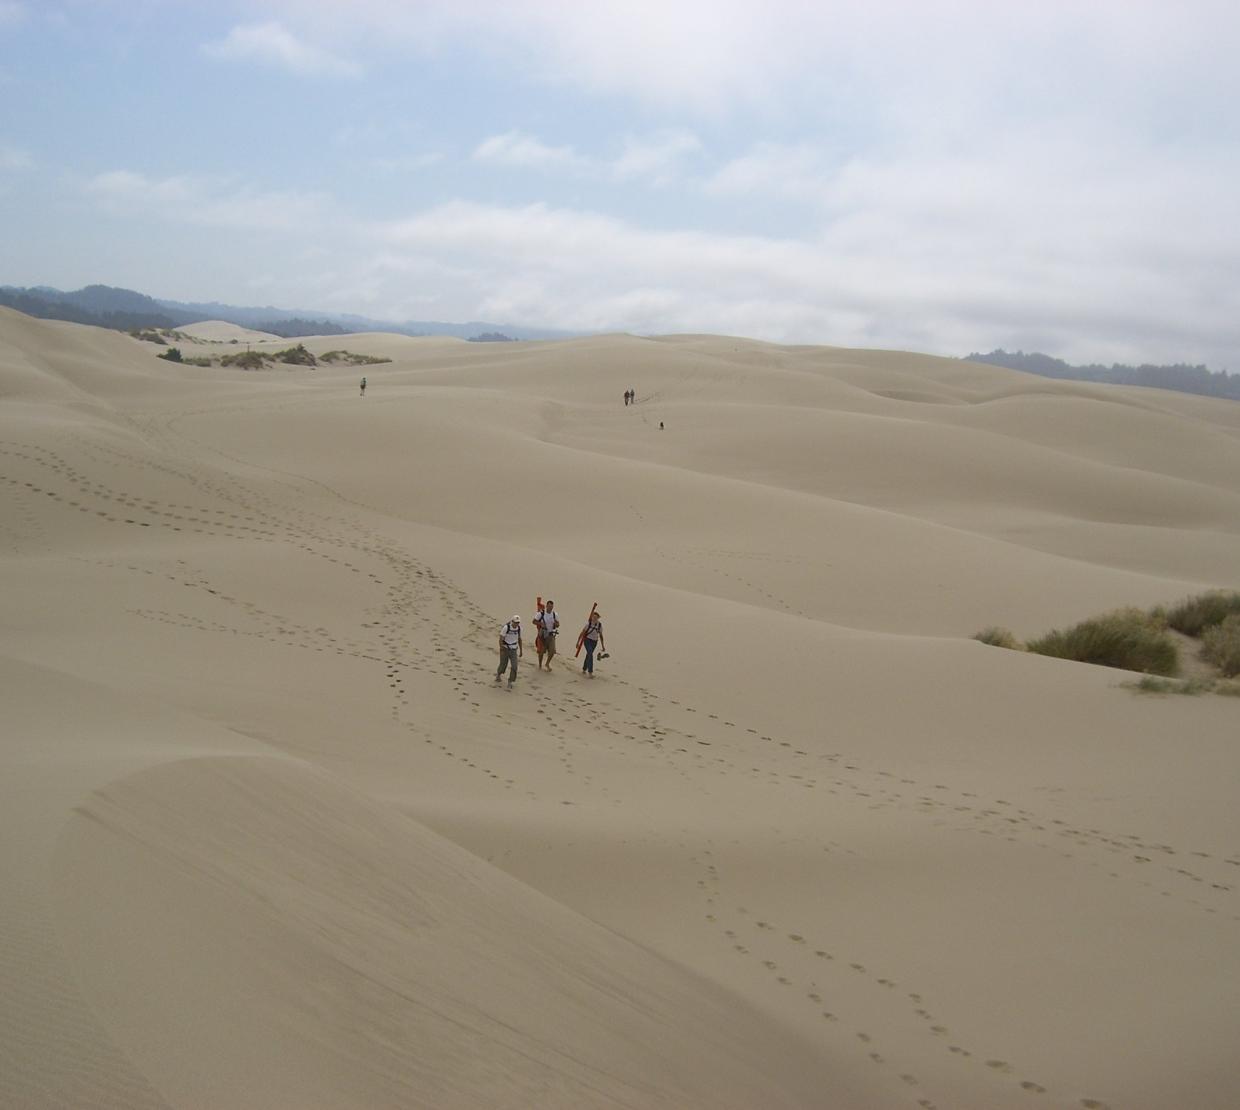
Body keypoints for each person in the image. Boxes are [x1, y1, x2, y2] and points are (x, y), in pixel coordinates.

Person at [495, 615, 522, 688]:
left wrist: (521, 650)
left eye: (518, 622)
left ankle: (510, 681)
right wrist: (501, 648)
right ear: (512, 621)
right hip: (505, 648)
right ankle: (498, 674)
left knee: (514, 666)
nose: (517, 624)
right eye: (515, 622)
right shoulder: (506, 628)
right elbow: (501, 639)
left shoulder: (519, 629)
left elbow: (519, 639)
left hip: (513, 649)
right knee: (503, 664)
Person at [535, 599, 560, 669]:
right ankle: (540, 664)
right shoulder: (541, 613)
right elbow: (534, 621)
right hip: (542, 635)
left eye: (551, 607)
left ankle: (547, 664)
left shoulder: (555, 614)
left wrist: (556, 624)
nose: (550, 608)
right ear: (546, 606)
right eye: (549, 606)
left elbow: (558, 624)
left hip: (551, 635)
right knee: (541, 652)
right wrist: (541, 624)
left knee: (552, 651)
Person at [580, 610, 604, 677]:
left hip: (594, 642)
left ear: (598, 618)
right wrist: (578, 642)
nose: (594, 619)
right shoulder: (588, 624)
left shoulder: (599, 625)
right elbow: (582, 633)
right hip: (587, 640)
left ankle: (584, 668)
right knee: (590, 653)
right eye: (593, 617)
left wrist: (603, 646)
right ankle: (590, 672)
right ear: (592, 617)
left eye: (596, 618)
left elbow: (601, 636)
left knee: (589, 654)